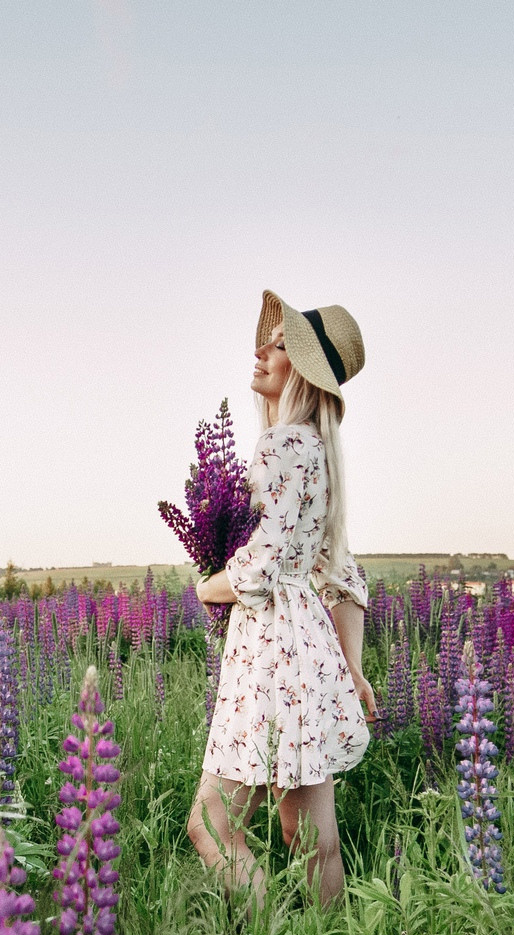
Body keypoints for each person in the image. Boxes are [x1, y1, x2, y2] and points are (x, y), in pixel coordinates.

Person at [187, 290, 374, 903]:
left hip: (269, 642)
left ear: (304, 372)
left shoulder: (280, 445)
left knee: (211, 821)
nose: (263, 350)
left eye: (281, 346)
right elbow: (341, 573)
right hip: (308, 648)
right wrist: (353, 668)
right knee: (308, 836)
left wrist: (207, 585)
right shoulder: (321, 453)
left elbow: (258, 570)